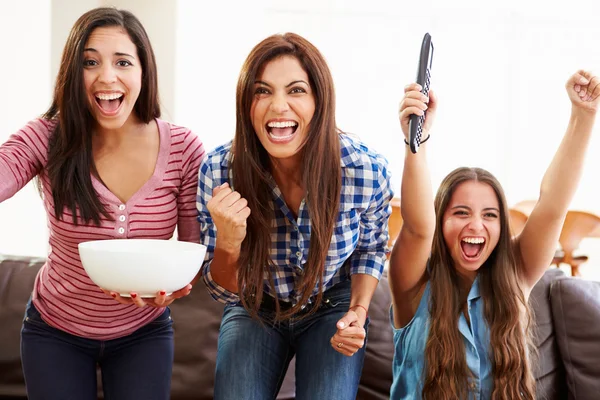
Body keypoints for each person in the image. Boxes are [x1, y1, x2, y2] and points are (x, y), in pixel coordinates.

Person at [0, 7, 205, 400]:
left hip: (143, 334)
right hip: (53, 332)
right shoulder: (49, 136)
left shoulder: (182, 148)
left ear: (144, 71)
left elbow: (193, 251)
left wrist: (178, 288)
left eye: (122, 62)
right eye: (89, 62)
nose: (106, 76)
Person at [196, 32, 393, 399]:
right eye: (262, 91)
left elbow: (371, 249)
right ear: (246, 104)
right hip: (255, 303)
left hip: (331, 301)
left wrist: (358, 312)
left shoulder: (363, 169)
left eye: (296, 90)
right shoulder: (220, 171)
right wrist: (228, 242)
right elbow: (223, 289)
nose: (279, 106)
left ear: (319, 101)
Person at [389, 70, 598, 399]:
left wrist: (583, 115)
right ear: (440, 222)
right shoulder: (413, 284)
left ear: (502, 228)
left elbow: (553, 204)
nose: (476, 226)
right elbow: (417, 228)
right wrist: (416, 141)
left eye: (490, 215)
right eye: (461, 213)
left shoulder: (515, 275)